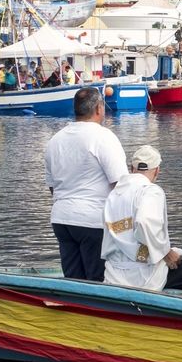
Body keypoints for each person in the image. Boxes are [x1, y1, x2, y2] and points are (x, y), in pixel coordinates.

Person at [43, 87, 127, 281]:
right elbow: (120, 185)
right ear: (99, 109)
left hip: (61, 218)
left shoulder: (55, 140)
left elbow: (52, 187)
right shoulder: (103, 137)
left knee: (73, 279)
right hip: (92, 220)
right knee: (97, 280)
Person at [102, 145, 182, 291]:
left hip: (115, 271)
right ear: (157, 170)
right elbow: (144, 223)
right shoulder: (150, 190)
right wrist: (165, 252)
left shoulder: (114, 194)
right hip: (142, 275)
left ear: (131, 168)